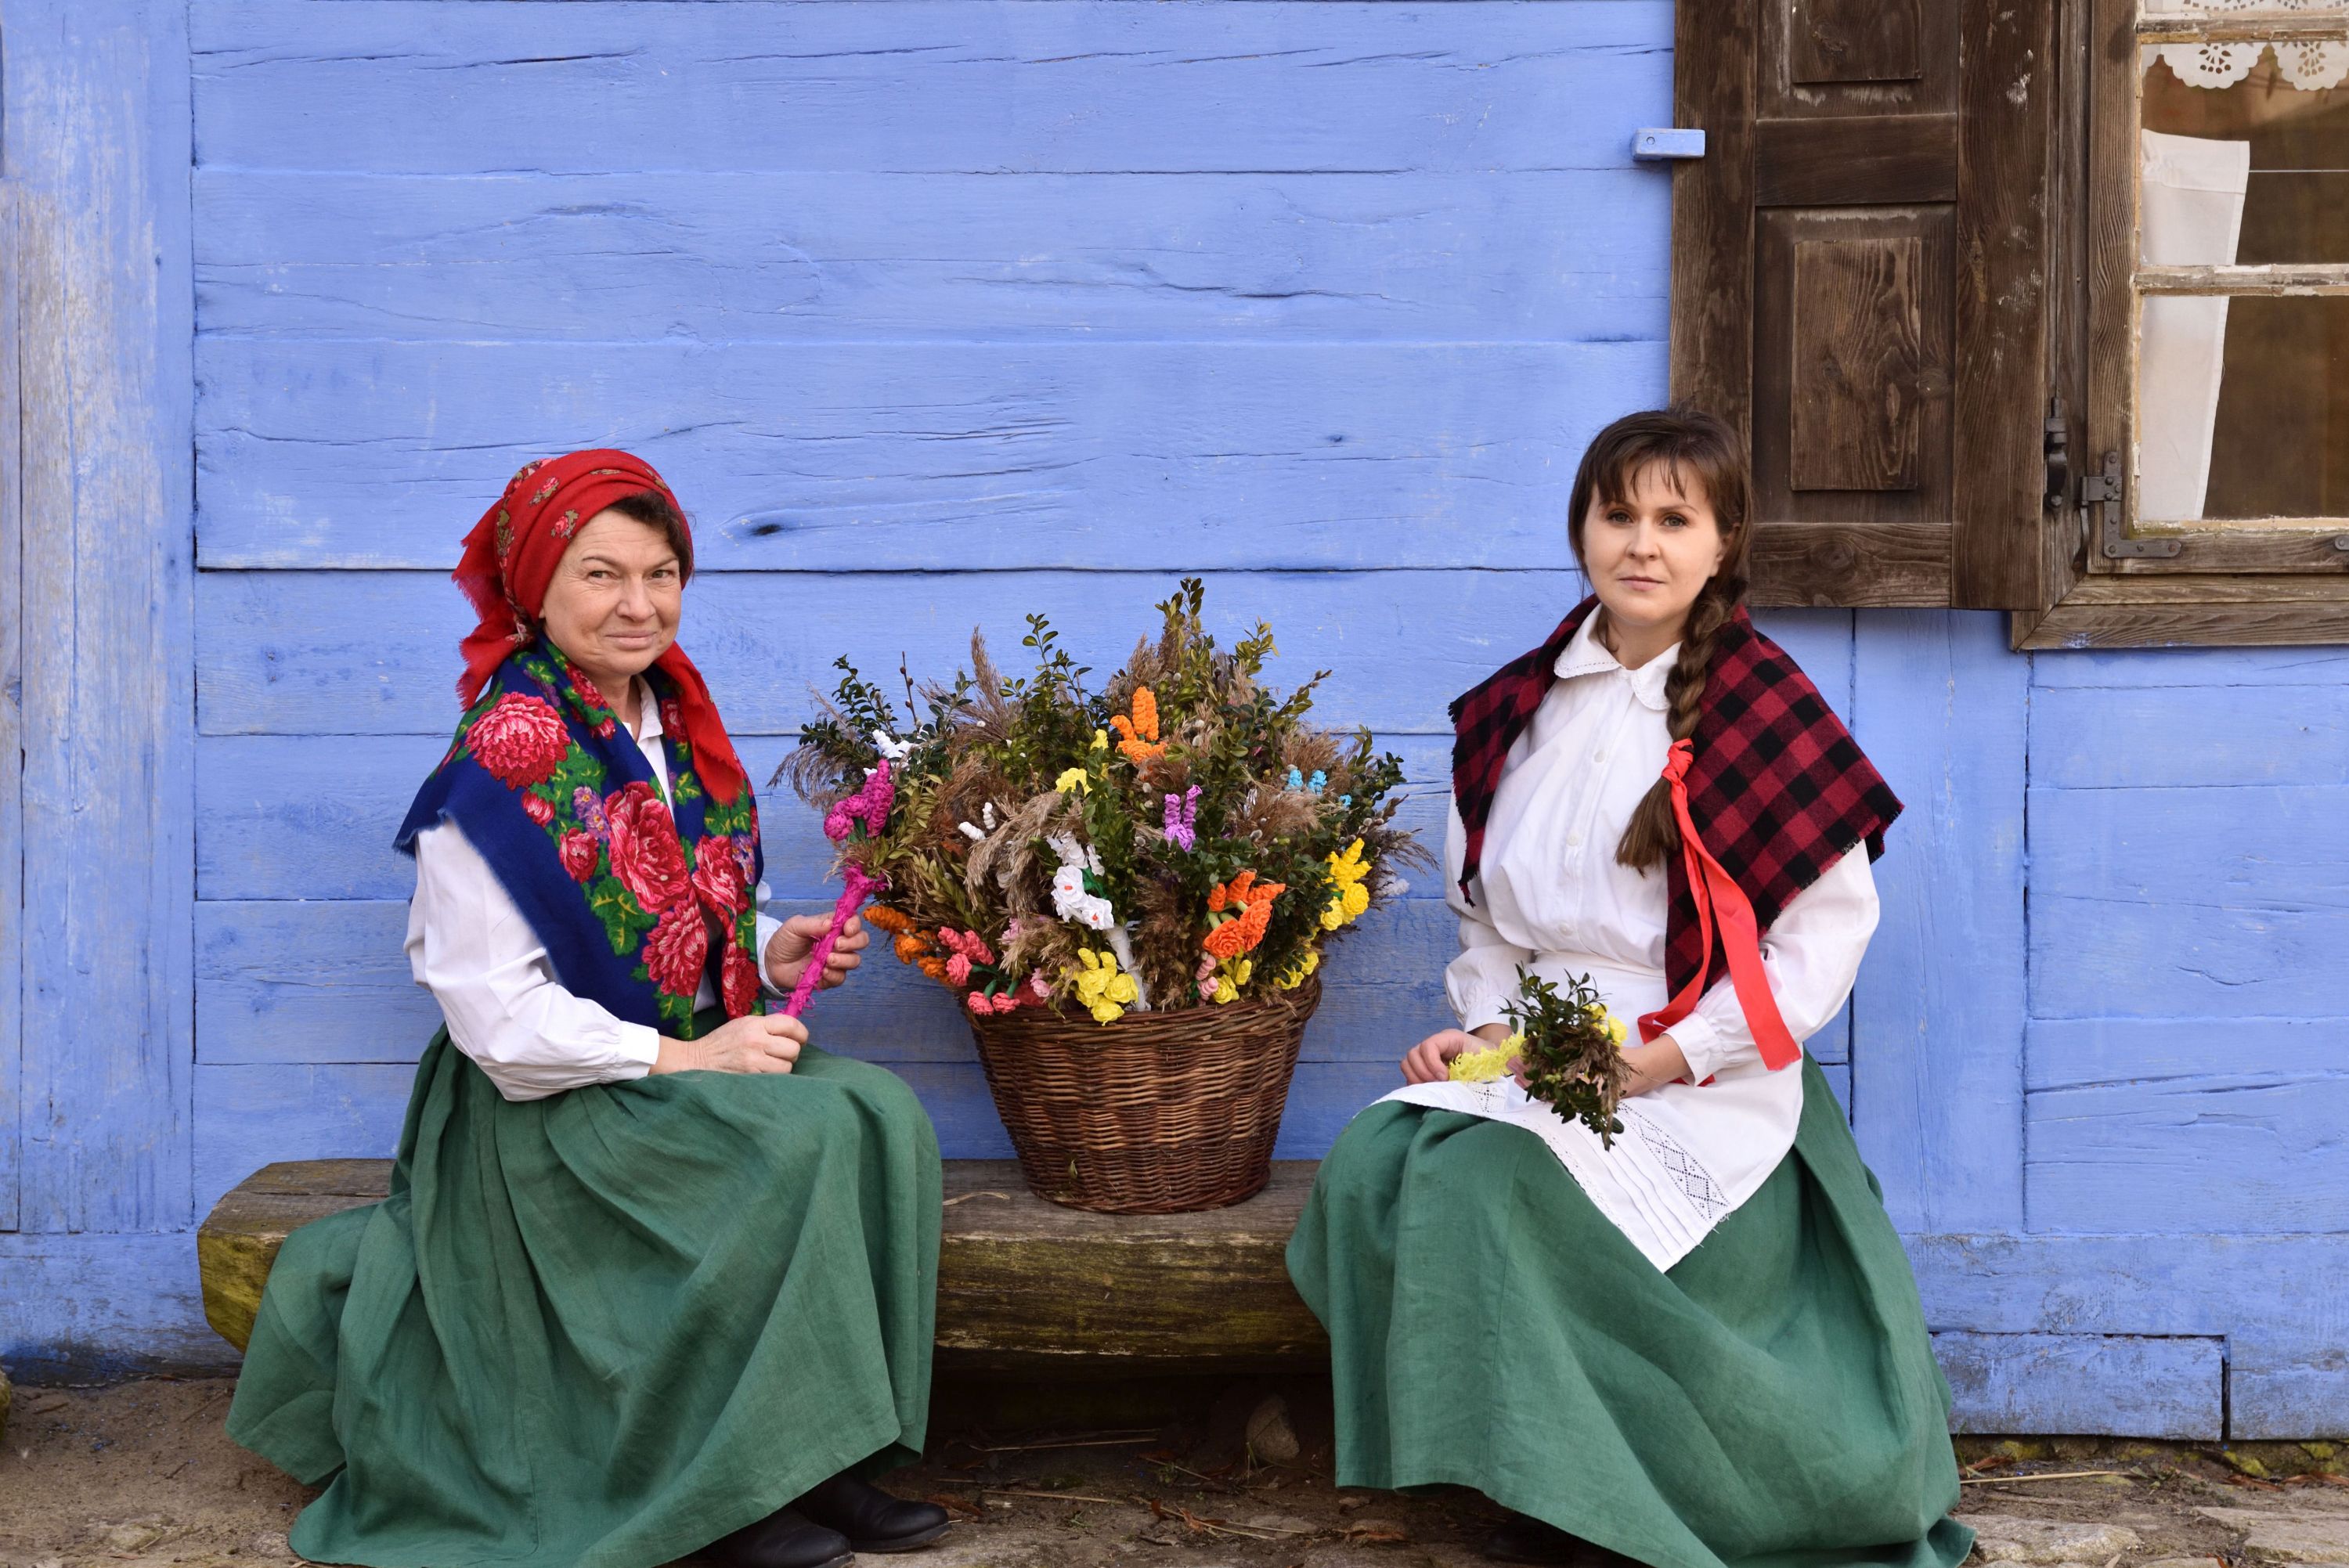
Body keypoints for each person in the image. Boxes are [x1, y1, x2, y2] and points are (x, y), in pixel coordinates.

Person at [226, 451, 950, 1568]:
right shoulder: (499, 765)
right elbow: (500, 1025)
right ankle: (713, 1490)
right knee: (795, 1141)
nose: (639, 604)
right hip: (545, 1107)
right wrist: (692, 1056)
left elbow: (674, 908)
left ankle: (822, 1453)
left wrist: (772, 941)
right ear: (537, 588)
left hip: (661, 1060)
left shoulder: (671, 730)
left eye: (661, 574)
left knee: (878, 1117)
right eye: (602, 574)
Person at [1286, 409, 1972, 1568]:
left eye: (1674, 518)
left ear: (1722, 543)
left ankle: (1593, 1498)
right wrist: (1490, 1036)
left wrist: (1672, 1055)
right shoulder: (1516, 710)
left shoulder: (1764, 711)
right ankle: (1515, 1465)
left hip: (1687, 1061)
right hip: (1545, 1048)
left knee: (1496, 1187)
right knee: (1372, 1169)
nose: (1642, 544)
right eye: (1618, 515)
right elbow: (1485, 921)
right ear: (1583, 530)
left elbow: (1821, 941)